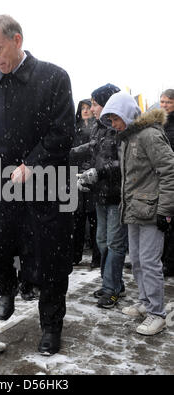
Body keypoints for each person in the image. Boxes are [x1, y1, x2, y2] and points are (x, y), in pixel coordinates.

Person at [0, 15, 75, 355]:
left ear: (17, 40)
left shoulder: (53, 77)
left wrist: (34, 163)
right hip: (3, 179)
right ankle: (6, 288)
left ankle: (51, 327)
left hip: (49, 179)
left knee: (50, 258)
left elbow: (62, 132)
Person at [100, 91, 174, 335]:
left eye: (115, 119)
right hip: (133, 209)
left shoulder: (150, 135)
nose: (114, 125)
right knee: (139, 261)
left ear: (128, 114)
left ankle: (157, 313)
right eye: (110, 121)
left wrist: (165, 211)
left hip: (152, 211)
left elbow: (169, 172)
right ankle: (144, 302)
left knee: (151, 263)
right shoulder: (128, 138)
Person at [77, 84, 128, 309]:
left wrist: (98, 172)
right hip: (101, 195)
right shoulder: (98, 127)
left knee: (115, 243)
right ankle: (115, 282)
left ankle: (111, 289)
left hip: (117, 196)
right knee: (102, 241)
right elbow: (92, 149)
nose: (92, 107)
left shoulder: (120, 126)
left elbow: (122, 163)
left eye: (96, 103)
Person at [70, 99, 100, 269]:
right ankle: (75, 255)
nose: (86, 111)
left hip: (92, 176)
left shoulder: (96, 130)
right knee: (76, 220)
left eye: (88, 108)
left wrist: (89, 169)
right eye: (83, 108)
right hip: (75, 175)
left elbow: (95, 152)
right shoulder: (74, 129)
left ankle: (97, 257)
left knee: (94, 219)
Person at [159, 89, 174, 277]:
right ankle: (163, 261)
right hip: (160, 179)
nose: (164, 105)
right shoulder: (158, 124)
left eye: (168, 102)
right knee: (163, 224)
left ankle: (169, 263)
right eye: (162, 102)